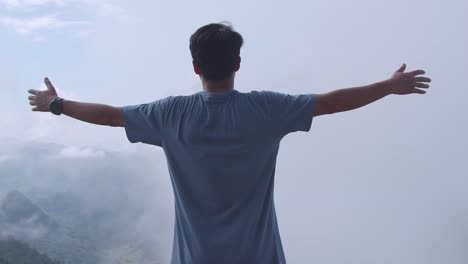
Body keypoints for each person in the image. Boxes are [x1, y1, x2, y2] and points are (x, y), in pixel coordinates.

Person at [27, 22, 431, 264]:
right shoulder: (267, 111)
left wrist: (57, 105)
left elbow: (112, 116)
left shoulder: (170, 115)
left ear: (195, 66)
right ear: (238, 63)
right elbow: (331, 103)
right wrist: (388, 86)